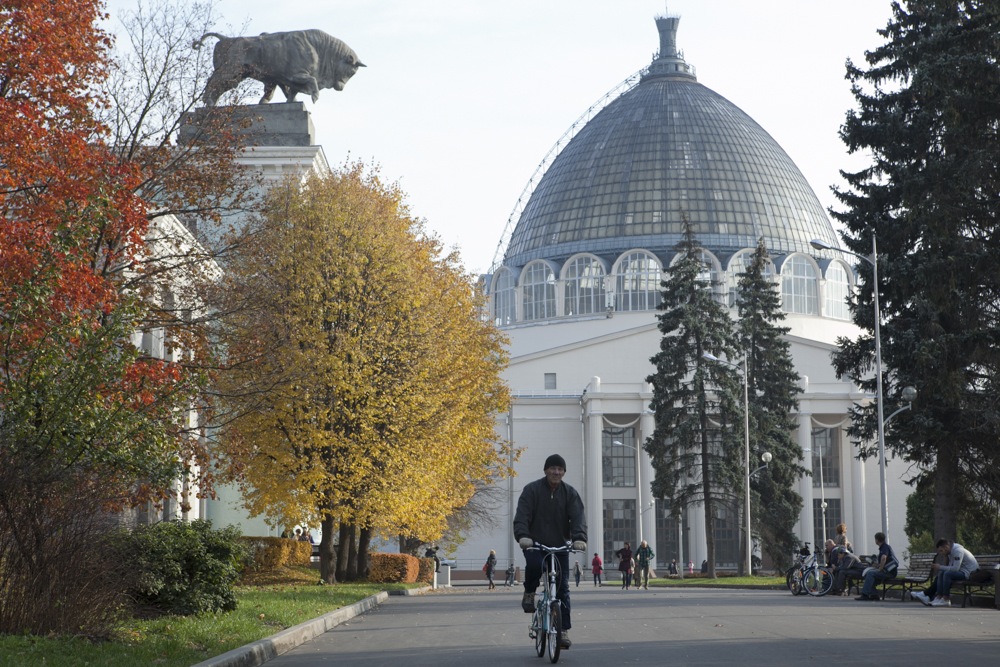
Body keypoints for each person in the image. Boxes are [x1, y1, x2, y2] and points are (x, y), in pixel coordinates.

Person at [513, 453, 587, 650]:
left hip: (560, 545)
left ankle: (563, 631)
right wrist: (523, 536)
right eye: (553, 468)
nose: (556, 472)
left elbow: (578, 517)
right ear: (546, 470)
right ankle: (529, 592)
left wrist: (579, 537)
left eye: (560, 469)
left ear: (564, 472)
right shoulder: (532, 490)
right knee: (535, 566)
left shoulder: (570, 493)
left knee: (562, 587)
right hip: (535, 543)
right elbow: (522, 515)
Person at [913, 539, 980, 607]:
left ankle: (946, 599)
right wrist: (945, 559)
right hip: (961, 571)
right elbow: (950, 567)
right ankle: (938, 597)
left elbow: (955, 568)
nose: (941, 553)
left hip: (969, 573)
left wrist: (940, 567)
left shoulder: (957, 551)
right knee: (942, 572)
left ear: (946, 547)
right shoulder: (950, 552)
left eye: (941, 551)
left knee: (947, 574)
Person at [856, 532, 899, 601]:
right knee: (870, 574)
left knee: (870, 574)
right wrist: (876, 565)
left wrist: (880, 569)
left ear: (877, 540)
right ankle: (874, 594)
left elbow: (883, 558)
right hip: (888, 571)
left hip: (889, 572)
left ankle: (865, 595)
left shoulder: (884, 547)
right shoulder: (884, 547)